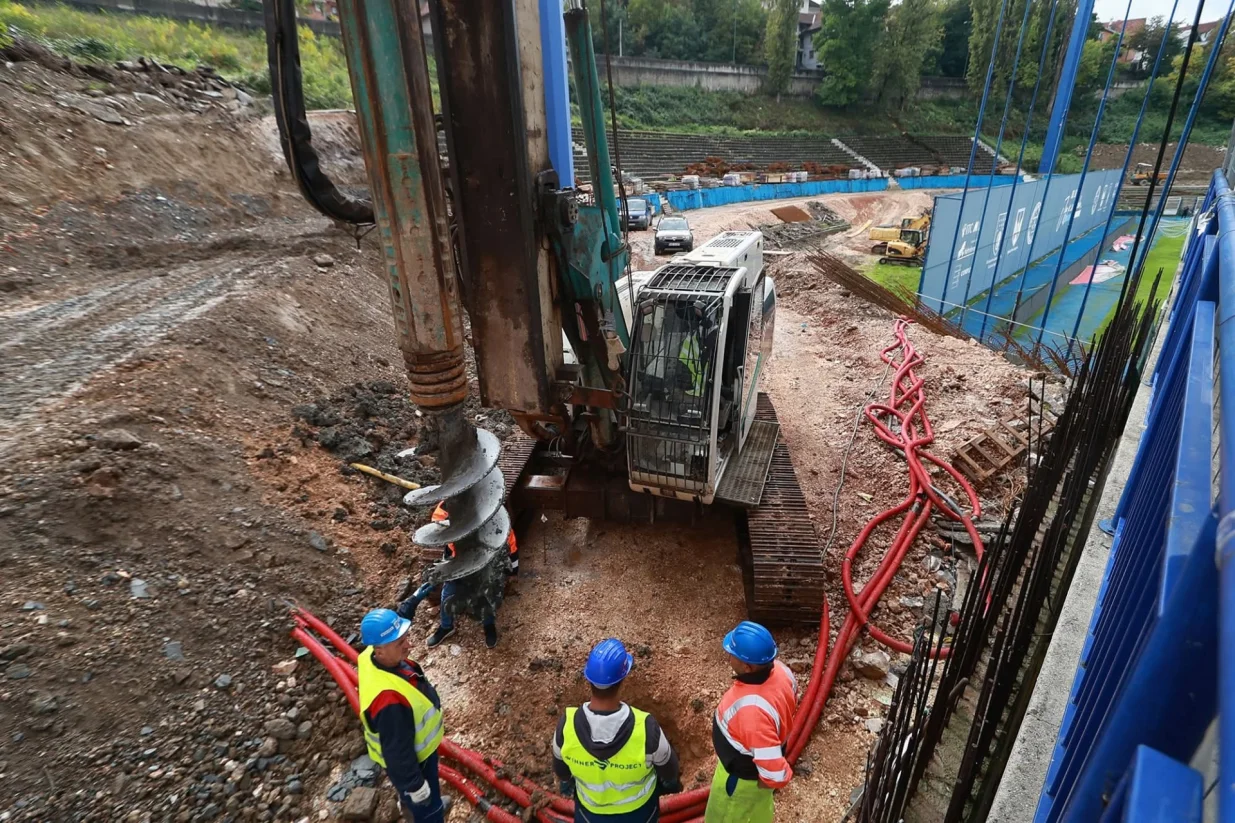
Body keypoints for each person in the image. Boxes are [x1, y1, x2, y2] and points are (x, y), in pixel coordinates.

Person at [553, 639, 682, 823]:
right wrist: (671, 786)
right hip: (640, 814)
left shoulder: (566, 725)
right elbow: (670, 771)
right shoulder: (645, 727)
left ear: (588, 678)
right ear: (623, 681)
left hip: (589, 815)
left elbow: (562, 773)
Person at [356, 608, 450, 823]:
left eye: (405, 638)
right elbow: (398, 754)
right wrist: (416, 787)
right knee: (428, 809)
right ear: (379, 650)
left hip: (417, 758)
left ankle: (413, 808)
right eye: (400, 643)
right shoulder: (390, 701)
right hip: (417, 763)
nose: (409, 645)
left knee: (418, 803)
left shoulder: (370, 656)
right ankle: (430, 813)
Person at [704, 621, 798, 823]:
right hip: (751, 774)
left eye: (732, 654)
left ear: (747, 666)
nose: (728, 656)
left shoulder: (752, 712)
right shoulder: (782, 672)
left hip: (740, 784)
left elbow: (775, 774)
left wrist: (754, 787)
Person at [397, 500, 518, 649]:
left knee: (485, 595)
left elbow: (510, 543)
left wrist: (513, 570)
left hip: (483, 562)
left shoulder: (492, 510)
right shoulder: (448, 504)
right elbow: (438, 522)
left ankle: (488, 625)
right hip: (456, 561)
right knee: (447, 593)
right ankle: (446, 626)